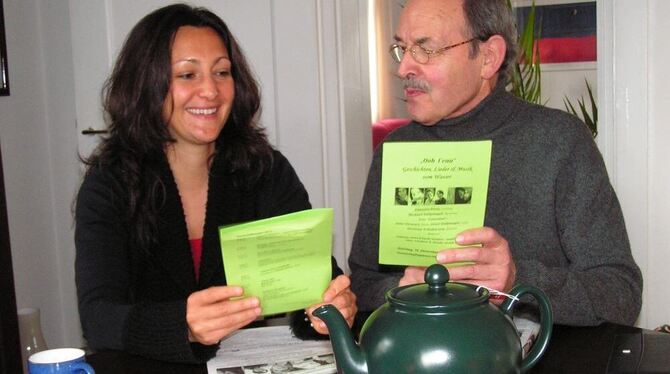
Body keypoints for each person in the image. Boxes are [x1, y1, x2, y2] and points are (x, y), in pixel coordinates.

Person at [74, 4, 356, 363]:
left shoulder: (265, 170)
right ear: (147, 83)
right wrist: (183, 325)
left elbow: (311, 291)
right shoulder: (110, 184)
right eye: (187, 75)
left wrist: (330, 308)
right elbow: (98, 317)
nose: (211, 90)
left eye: (222, 72)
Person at [349, 0, 642, 326]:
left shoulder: (559, 142)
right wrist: (400, 290)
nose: (403, 68)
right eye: (402, 48)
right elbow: (362, 283)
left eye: (425, 49)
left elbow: (621, 294)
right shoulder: (395, 149)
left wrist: (518, 280)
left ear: (488, 58)